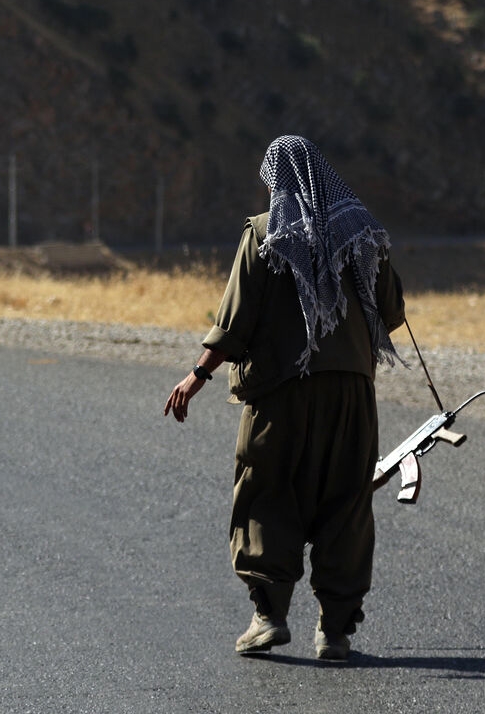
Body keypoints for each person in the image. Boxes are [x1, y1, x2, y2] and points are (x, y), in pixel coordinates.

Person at [163, 135, 405, 662]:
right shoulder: (364, 232)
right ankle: (335, 632)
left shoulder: (264, 233)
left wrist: (196, 377)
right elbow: (391, 315)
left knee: (267, 493)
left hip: (280, 394)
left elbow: (235, 322)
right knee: (346, 502)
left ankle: (268, 617)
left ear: (278, 179)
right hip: (350, 397)